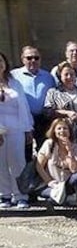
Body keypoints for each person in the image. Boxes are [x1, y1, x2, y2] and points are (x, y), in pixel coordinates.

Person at [35, 117, 77, 218]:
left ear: (70, 131)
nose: (62, 131)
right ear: (54, 131)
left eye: (65, 128)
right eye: (59, 128)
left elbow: (75, 170)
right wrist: (49, 181)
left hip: (66, 185)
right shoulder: (49, 144)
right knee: (57, 196)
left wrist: (70, 151)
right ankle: (52, 201)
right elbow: (39, 166)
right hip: (49, 184)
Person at [0, 51, 34, 208]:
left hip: (16, 129)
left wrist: (28, 129)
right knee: (1, 163)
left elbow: (24, 107)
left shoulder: (15, 83)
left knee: (18, 162)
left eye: (1, 61)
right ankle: (5, 195)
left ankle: (20, 195)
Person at [44, 62, 77, 160]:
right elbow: (47, 112)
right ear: (60, 76)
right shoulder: (54, 92)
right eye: (66, 74)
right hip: (68, 135)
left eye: (72, 74)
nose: (69, 77)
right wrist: (66, 113)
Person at [11, 46, 54, 157]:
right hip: (23, 119)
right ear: (22, 59)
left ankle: (42, 174)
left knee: (45, 152)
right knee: (26, 152)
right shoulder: (13, 76)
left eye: (36, 58)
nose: (33, 61)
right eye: (29, 58)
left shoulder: (48, 77)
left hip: (44, 120)